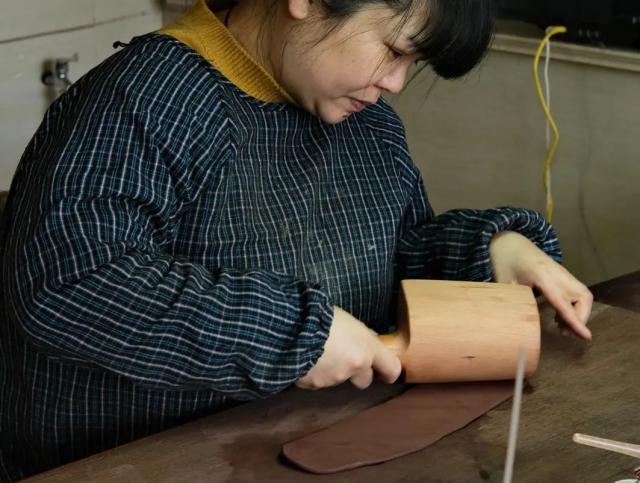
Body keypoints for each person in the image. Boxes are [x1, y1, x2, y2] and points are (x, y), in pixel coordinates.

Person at [0, 0, 593, 479]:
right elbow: (67, 286)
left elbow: (389, 260)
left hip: (299, 443)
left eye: (412, 64)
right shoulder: (144, 100)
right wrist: (292, 334)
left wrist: (491, 250)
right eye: (392, 50)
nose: (395, 82)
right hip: (130, 460)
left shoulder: (369, 125)